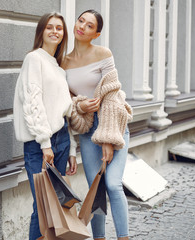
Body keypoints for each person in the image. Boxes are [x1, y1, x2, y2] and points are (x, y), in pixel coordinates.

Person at [61, 9, 133, 240]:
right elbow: (67, 100)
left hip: (113, 125)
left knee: (112, 184)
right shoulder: (64, 62)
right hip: (87, 129)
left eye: (89, 25)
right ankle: (99, 237)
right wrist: (80, 107)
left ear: (96, 33)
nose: (82, 26)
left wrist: (108, 139)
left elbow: (112, 94)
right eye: (81, 20)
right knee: (96, 188)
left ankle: (123, 237)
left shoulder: (103, 53)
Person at [13, 12, 78, 240]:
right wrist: (44, 143)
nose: (54, 31)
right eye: (49, 27)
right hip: (40, 144)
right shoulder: (34, 59)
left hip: (60, 140)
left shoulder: (58, 68)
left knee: (57, 206)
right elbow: (32, 103)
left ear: (63, 34)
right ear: (41, 32)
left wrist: (71, 150)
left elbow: (63, 112)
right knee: (42, 206)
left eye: (59, 28)